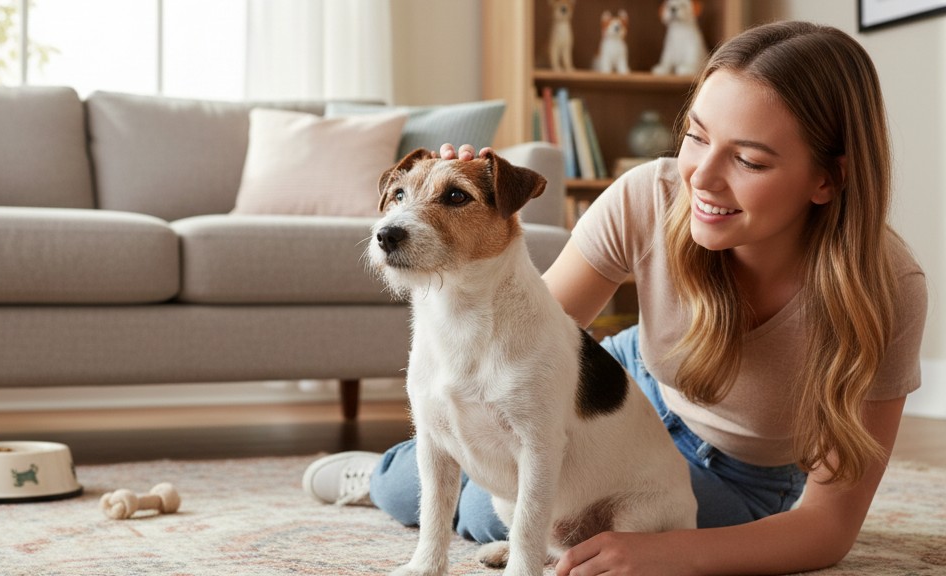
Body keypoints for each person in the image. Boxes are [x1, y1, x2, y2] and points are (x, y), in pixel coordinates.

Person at [302, 20, 927, 575]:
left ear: (828, 178)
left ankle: (416, 481)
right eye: (696, 136)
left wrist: (671, 553)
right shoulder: (648, 195)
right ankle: (384, 473)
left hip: (735, 473)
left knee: (517, 522)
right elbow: (525, 337)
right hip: (619, 385)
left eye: (750, 161)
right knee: (446, 492)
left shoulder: (885, 289)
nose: (701, 178)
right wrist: (462, 204)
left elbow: (828, 529)